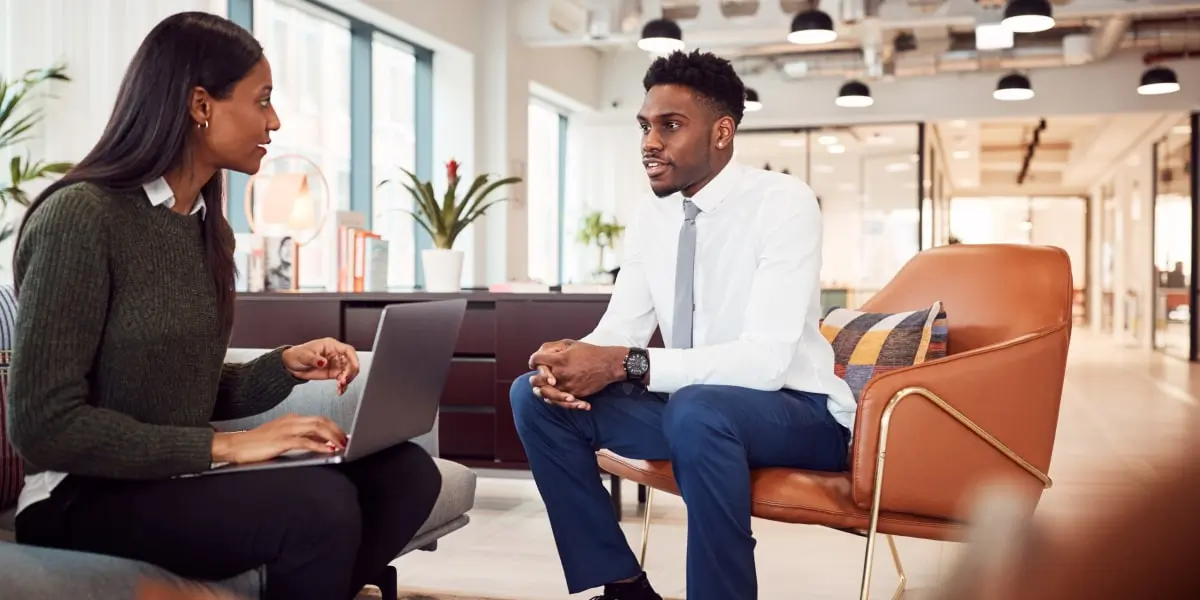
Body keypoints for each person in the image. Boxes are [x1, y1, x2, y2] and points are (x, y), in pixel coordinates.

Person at [5, 12, 441, 600]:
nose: (276, 120)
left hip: (173, 477)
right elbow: (43, 425)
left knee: (408, 475)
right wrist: (226, 447)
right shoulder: (81, 218)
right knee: (319, 506)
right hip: (82, 493)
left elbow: (175, 387)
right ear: (201, 104)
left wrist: (282, 366)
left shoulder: (208, 230)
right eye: (262, 101)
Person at [510, 50, 856, 600]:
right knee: (532, 397)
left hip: (797, 414)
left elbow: (765, 363)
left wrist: (627, 363)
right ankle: (623, 586)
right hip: (693, 412)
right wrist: (571, 359)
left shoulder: (783, 204)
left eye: (670, 126)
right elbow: (621, 327)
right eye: (645, 126)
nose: (650, 142)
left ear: (722, 132)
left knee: (700, 407)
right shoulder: (654, 215)